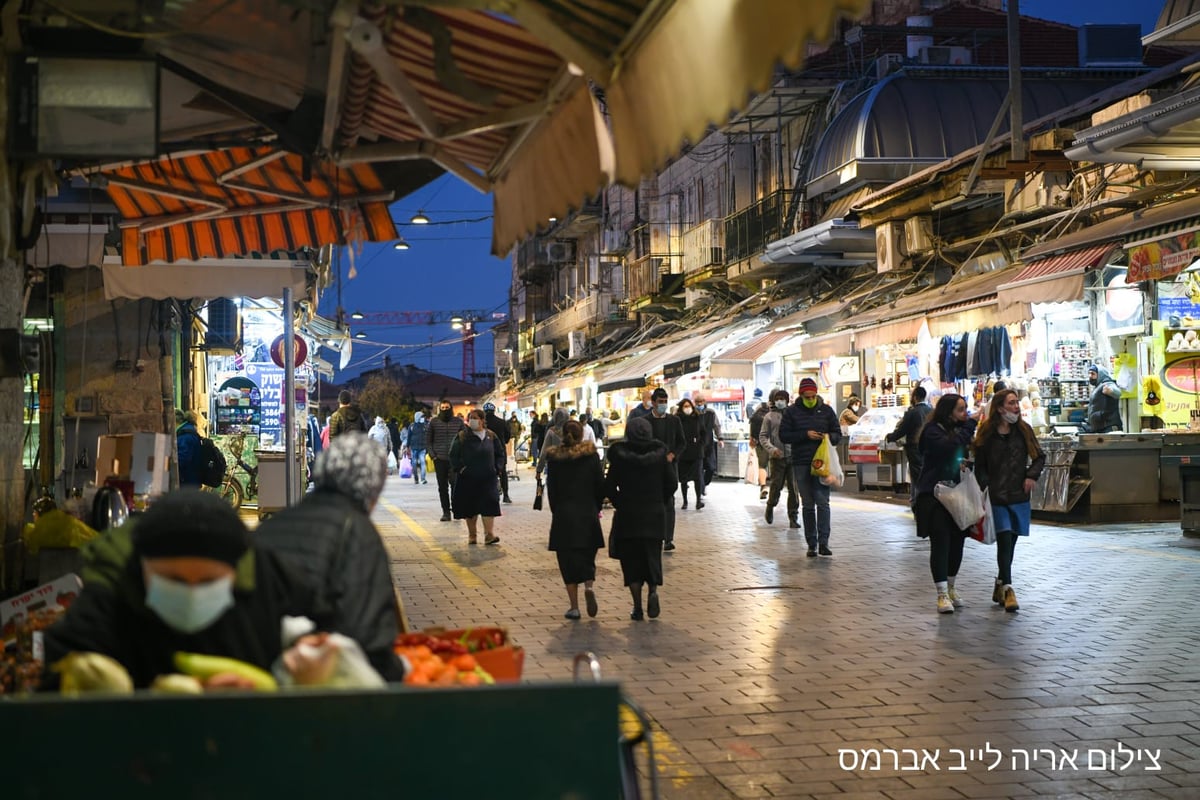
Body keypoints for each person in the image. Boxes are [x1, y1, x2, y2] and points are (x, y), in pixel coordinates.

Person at [42, 489, 337, 689]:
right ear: (142, 567)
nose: (193, 593)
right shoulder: (111, 591)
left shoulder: (268, 579)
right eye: (174, 580)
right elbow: (58, 678)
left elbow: (332, 631)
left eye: (210, 582)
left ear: (236, 571)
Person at [255, 433, 407, 680]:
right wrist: (399, 672)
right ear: (372, 487)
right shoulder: (356, 531)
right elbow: (368, 633)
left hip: (264, 680)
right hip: (325, 687)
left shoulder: (273, 524)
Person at [973, 389, 1046, 613]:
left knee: (1011, 542)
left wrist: (1030, 476)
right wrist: (986, 485)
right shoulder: (986, 433)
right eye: (1012, 403)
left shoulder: (1023, 430)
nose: (1016, 407)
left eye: (1016, 403)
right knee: (1004, 539)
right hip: (997, 496)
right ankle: (1008, 588)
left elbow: (1039, 456)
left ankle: (999, 582)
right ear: (1000, 407)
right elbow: (980, 465)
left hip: (1018, 495)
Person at [605, 417, 677, 621]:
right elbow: (671, 483)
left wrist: (621, 502)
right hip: (654, 514)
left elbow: (609, 486)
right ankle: (653, 591)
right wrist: (659, 500)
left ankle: (637, 607)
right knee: (652, 558)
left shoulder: (620, 456)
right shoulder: (660, 455)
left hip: (629, 516)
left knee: (632, 563)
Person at [913, 393, 978, 614]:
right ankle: (941, 593)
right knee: (941, 541)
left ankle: (951, 587)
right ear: (948, 410)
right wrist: (970, 425)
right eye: (960, 409)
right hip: (934, 495)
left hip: (958, 493)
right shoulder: (933, 431)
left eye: (966, 409)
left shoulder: (960, 431)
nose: (965, 413)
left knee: (958, 541)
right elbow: (948, 448)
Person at [543, 420, 605, 620]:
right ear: (581, 435)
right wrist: (595, 508)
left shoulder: (555, 459)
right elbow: (599, 487)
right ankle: (588, 585)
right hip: (587, 513)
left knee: (567, 561)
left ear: (563, 435)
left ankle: (574, 607)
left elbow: (552, 490)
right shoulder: (592, 456)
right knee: (587, 555)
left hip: (564, 515)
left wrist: (557, 510)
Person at [779, 378, 842, 557]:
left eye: (813, 395)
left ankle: (824, 543)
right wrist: (805, 435)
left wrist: (828, 437)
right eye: (807, 396)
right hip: (802, 462)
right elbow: (784, 435)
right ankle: (811, 544)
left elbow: (837, 433)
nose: (811, 399)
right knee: (807, 504)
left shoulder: (827, 411)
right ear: (801, 395)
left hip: (822, 463)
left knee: (823, 502)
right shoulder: (791, 412)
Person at [450, 408, 505, 545]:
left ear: (482, 420)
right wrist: (461, 469)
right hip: (468, 479)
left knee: (489, 505)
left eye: (475, 418)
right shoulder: (462, 436)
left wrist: (497, 468)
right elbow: (453, 455)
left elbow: (500, 454)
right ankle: (472, 535)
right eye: (470, 418)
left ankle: (489, 535)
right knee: (470, 508)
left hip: (488, 478)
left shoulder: (491, 436)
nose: (473, 421)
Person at [646, 388, 686, 550]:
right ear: (653, 402)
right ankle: (655, 534)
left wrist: (673, 455)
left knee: (669, 501)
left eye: (665, 402)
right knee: (653, 502)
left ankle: (668, 538)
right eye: (660, 402)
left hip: (669, 467)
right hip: (651, 467)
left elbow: (682, 442)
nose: (663, 405)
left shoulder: (674, 421)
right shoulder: (645, 421)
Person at [885, 386, 933, 503]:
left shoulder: (912, 413)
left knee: (917, 475)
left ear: (915, 397)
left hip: (914, 448)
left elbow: (902, 430)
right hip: (929, 447)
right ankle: (923, 497)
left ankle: (920, 500)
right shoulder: (931, 411)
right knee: (927, 472)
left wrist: (890, 437)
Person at [759, 389, 799, 528]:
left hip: (793, 457)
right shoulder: (769, 417)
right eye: (778, 398)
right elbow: (763, 436)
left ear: (787, 400)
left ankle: (793, 517)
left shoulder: (793, 415)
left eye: (783, 398)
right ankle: (770, 506)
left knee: (794, 489)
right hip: (777, 457)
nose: (780, 401)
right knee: (776, 486)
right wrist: (772, 449)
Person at [428, 401, 465, 521]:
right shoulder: (434, 422)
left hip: (455, 459)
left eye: (447, 408)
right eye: (442, 408)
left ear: (451, 408)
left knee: (455, 485)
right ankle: (446, 512)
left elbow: (465, 438)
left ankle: (456, 509)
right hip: (440, 459)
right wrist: (433, 455)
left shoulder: (458, 422)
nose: (445, 410)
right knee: (442, 487)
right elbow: (428, 441)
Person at [674, 397, 705, 511]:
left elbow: (703, 432)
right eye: (685, 406)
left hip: (696, 452)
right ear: (681, 408)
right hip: (683, 453)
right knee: (684, 479)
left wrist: (701, 443)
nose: (688, 409)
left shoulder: (697, 418)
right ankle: (685, 501)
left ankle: (698, 501)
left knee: (697, 477)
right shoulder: (677, 419)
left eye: (689, 406)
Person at [483, 402, 513, 504]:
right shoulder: (501, 422)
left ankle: (489, 495)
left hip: (486, 451)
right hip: (500, 450)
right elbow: (508, 435)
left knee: (487, 473)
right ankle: (506, 495)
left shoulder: (482, 423)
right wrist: (503, 441)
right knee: (502, 472)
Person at [693, 394, 722, 490]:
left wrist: (720, 438)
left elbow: (716, 426)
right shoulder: (692, 414)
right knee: (699, 468)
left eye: (701, 402)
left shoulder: (711, 413)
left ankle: (704, 483)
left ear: (704, 402)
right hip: (696, 445)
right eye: (697, 402)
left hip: (709, 444)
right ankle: (701, 488)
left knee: (711, 468)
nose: (699, 404)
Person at [1085, 365, 1122, 433]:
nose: (1090, 376)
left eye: (1093, 373)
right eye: (1089, 373)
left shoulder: (1107, 383)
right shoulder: (1098, 386)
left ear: (1100, 374)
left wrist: (1111, 391)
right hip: (1101, 427)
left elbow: (1118, 393)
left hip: (1109, 427)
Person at [748, 398, 770, 499]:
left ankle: (763, 486)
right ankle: (774, 486)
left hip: (760, 443)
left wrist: (752, 439)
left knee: (762, 466)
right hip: (775, 443)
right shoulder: (775, 414)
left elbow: (752, 428)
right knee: (777, 466)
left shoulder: (757, 413)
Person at [175, 409, 202, 487]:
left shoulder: (185, 436)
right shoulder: (187, 431)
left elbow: (183, 458)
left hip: (188, 481)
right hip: (191, 480)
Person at [406, 411, 428, 485]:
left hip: (422, 448)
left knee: (423, 463)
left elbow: (428, 437)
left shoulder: (425, 426)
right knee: (414, 464)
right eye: (422, 417)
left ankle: (423, 478)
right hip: (414, 448)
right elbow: (408, 437)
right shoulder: (412, 426)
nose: (423, 418)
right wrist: (407, 446)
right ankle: (416, 478)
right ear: (418, 417)